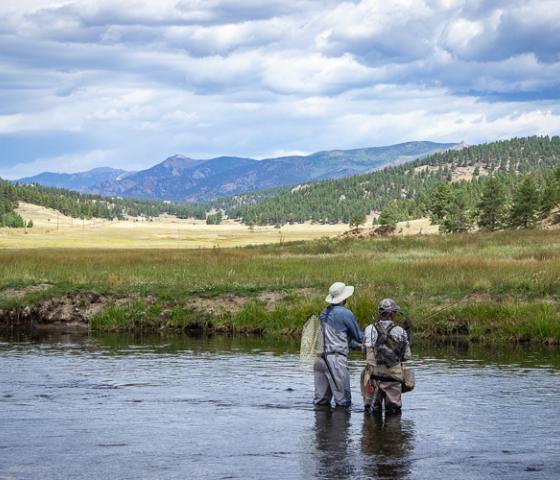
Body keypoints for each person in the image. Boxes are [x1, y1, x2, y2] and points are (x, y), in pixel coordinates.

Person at [314, 282, 363, 408]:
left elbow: (336, 336)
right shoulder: (345, 313)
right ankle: (341, 427)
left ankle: (321, 427)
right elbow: (358, 336)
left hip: (320, 360)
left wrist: (354, 345)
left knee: (321, 402)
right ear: (344, 298)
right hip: (335, 361)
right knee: (343, 402)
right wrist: (375, 334)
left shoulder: (323, 312)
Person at [361, 298, 411, 414]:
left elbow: (364, 351)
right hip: (392, 378)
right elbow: (407, 356)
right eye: (395, 313)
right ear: (392, 314)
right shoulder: (401, 331)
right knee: (393, 412)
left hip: (372, 377)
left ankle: (373, 431)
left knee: (372, 411)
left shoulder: (369, 329)